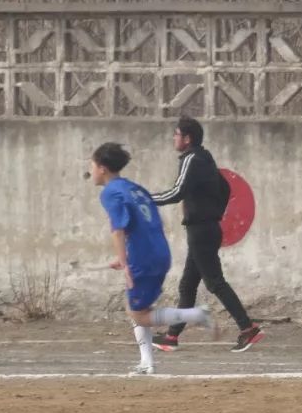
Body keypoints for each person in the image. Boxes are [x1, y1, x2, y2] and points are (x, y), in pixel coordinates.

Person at [89, 142, 213, 375]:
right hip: (157, 251)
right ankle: (147, 363)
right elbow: (148, 222)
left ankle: (196, 315)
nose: (91, 171)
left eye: (93, 166)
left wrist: (124, 261)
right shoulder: (134, 188)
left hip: (144, 257)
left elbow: (118, 228)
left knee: (139, 315)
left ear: (103, 168)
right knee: (138, 307)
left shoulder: (110, 192)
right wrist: (126, 256)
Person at [149, 117, 263, 354]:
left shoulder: (192, 159)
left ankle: (248, 328)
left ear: (187, 138)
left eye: (176, 134)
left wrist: (146, 199)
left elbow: (178, 191)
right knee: (188, 284)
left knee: (214, 282)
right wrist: (214, 213)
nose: (174, 138)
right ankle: (172, 336)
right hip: (204, 228)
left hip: (201, 229)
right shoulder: (205, 157)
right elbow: (225, 188)